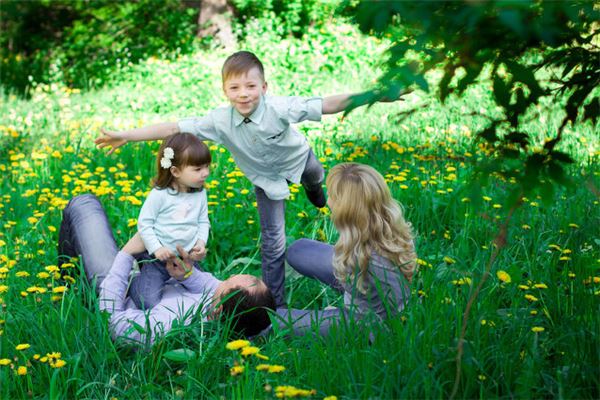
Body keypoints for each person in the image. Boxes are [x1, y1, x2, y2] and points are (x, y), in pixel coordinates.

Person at [95, 50, 407, 307]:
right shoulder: (219, 121)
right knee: (273, 244)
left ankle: (315, 191)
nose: (243, 94)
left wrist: (377, 95)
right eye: (235, 88)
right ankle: (275, 305)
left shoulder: (280, 108)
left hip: (300, 161)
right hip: (266, 181)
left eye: (250, 86)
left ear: (264, 87)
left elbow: (327, 104)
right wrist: (127, 135)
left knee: (316, 177)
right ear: (225, 91)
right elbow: (173, 128)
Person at [58, 194, 275, 345]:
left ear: (217, 310)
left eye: (225, 283)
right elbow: (211, 286)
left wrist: (126, 255)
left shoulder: (165, 326)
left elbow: (111, 321)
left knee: (83, 205)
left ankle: (71, 291)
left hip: (116, 292)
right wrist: (187, 273)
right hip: (155, 276)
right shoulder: (242, 315)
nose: (219, 281)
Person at [281, 162, 417, 335]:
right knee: (297, 250)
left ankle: (337, 316)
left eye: (331, 195)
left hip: (363, 322)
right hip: (364, 287)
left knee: (275, 321)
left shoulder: (368, 255)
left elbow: (392, 313)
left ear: (347, 208)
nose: (327, 199)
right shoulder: (386, 228)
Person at [125, 132, 211, 309]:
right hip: (157, 260)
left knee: (206, 291)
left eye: (207, 167)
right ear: (175, 171)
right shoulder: (160, 195)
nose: (206, 173)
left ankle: (176, 281)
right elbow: (145, 224)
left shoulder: (200, 193)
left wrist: (201, 243)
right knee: (147, 301)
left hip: (185, 258)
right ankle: (135, 279)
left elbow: (203, 222)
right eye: (198, 169)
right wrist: (157, 248)